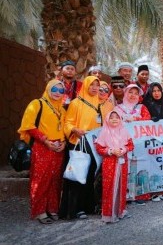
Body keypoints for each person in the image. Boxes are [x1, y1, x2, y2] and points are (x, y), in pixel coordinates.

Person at [18, 80, 66, 224]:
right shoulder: (37, 104)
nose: (57, 93)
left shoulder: (61, 109)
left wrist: (63, 142)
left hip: (58, 148)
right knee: (41, 178)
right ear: (48, 89)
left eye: (61, 91)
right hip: (42, 146)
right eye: (54, 89)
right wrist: (45, 141)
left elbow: (62, 128)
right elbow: (29, 126)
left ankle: (52, 208)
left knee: (55, 180)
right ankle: (39, 211)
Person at [60, 76, 101, 220]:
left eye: (97, 85)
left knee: (89, 176)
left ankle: (87, 207)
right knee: (77, 177)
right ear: (85, 86)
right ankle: (74, 209)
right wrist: (75, 129)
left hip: (93, 144)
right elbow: (67, 124)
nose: (95, 88)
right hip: (78, 143)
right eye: (92, 85)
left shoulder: (98, 103)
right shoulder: (76, 103)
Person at [95, 110, 134, 223]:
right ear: (107, 119)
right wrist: (111, 151)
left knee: (121, 186)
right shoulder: (104, 132)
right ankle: (108, 214)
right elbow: (99, 148)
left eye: (117, 117)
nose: (114, 119)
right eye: (111, 117)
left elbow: (131, 145)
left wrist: (123, 149)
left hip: (122, 161)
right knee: (109, 187)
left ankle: (120, 211)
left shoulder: (124, 130)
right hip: (110, 163)